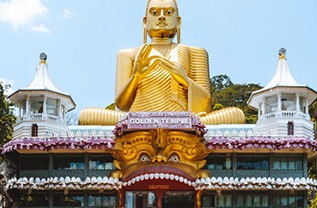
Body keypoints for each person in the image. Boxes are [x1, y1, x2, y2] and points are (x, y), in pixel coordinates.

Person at [79, 0, 245, 126]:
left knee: (236, 115)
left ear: (178, 22)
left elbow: (205, 106)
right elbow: (122, 104)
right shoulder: (128, 54)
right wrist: (136, 76)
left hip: (183, 120)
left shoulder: (195, 52)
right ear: (145, 22)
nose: (161, 17)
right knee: (86, 116)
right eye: (155, 12)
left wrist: (185, 80)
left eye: (168, 12)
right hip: (137, 119)